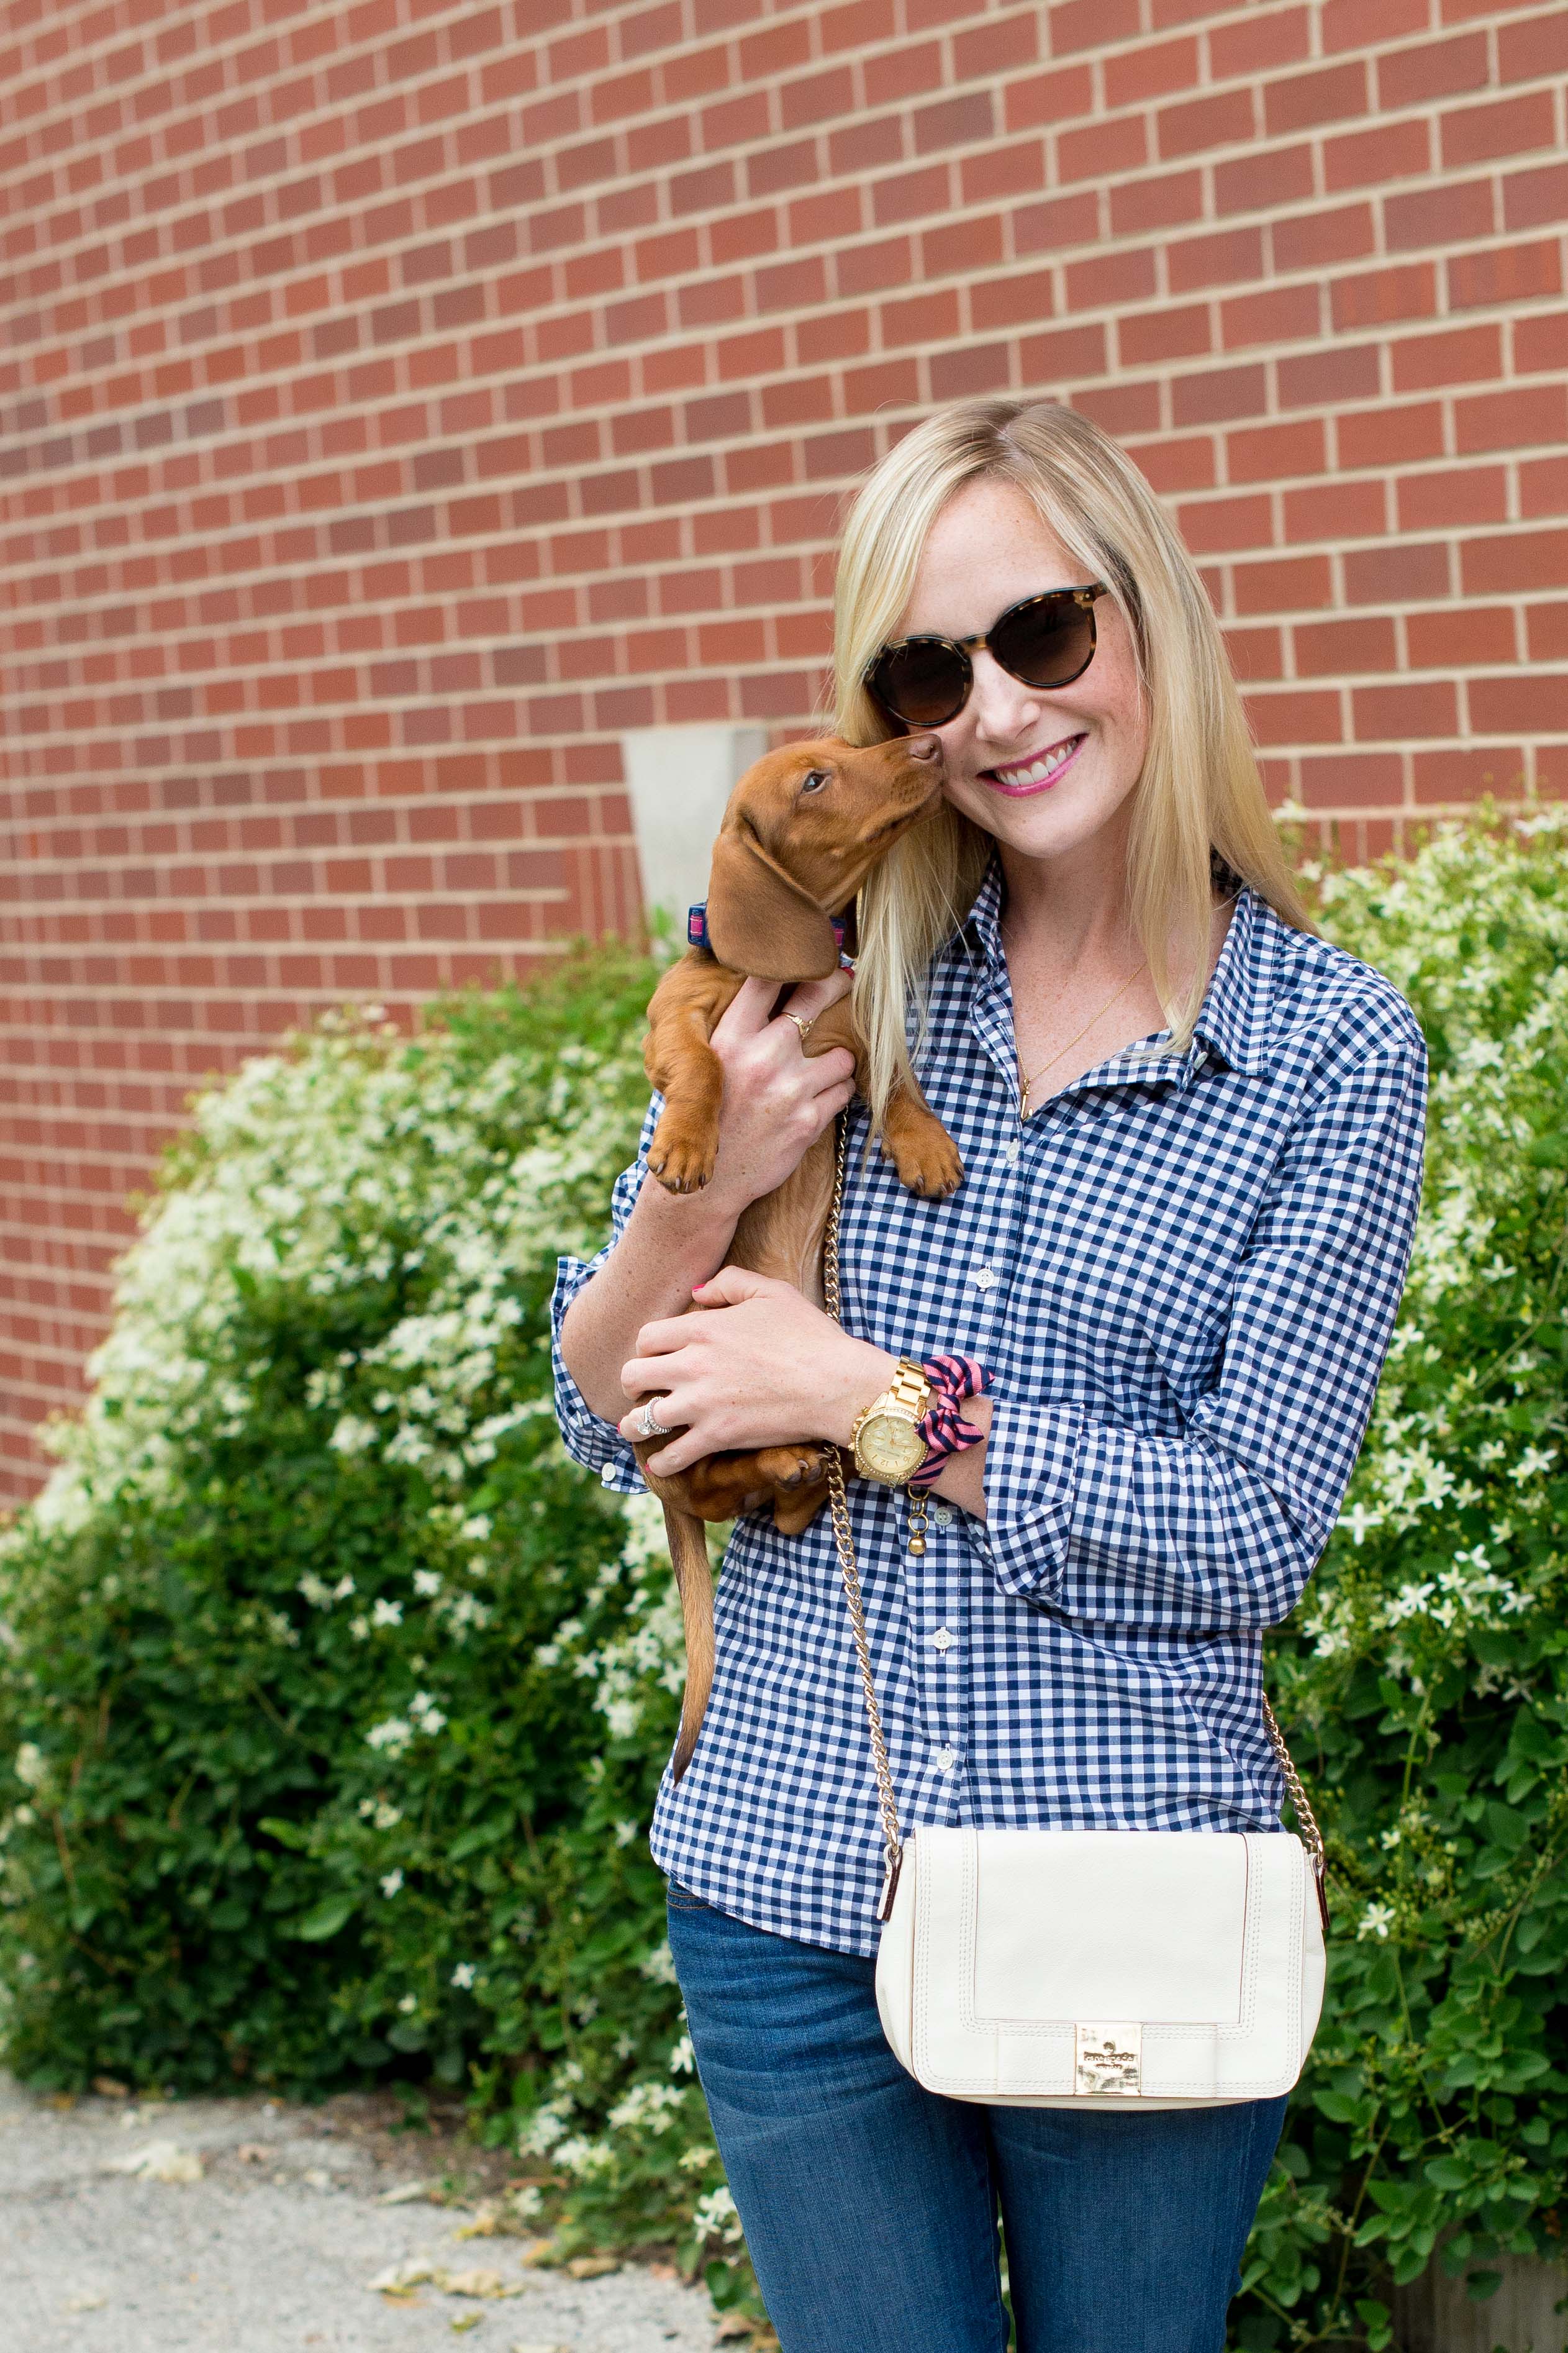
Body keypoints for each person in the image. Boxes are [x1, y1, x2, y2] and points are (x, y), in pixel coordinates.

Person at [550, 398, 1426, 2353]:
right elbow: (599, 1395)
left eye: (1043, 633)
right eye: (930, 667)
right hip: (783, 1880)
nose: (998, 711)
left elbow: (1249, 1529)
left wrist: (865, 1396)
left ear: (1150, 621)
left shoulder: (1326, 1049)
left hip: (1125, 1880)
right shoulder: (837, 976)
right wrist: (704, 1211)